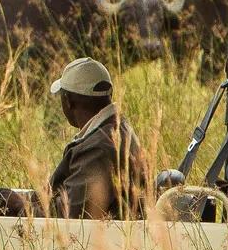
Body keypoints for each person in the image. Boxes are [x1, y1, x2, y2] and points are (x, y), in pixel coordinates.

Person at [42, 57, 153, 219]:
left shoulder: (98, 148)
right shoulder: (118, 128)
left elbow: (72, 214)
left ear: (68, 100)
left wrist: (23, 208)